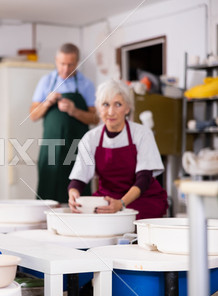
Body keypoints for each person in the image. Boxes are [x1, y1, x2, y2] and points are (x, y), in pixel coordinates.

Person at [68, 79, 168, 219]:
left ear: (127, 108)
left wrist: (121, 204)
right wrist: (73, 193)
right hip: (108, 200)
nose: (111, 111)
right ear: (98, 108)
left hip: (142, 199)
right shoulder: (90, 138)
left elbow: (144, 179)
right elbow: (79, 178)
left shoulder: (142, 134)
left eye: (118, 105)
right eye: (105, 104)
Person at [30, 43, 99, 204]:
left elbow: (95, 119)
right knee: (47, 196)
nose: (66, 69)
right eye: (62, 64)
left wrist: (74, 111)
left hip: (78, 147)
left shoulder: (86, 84)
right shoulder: (46, 82)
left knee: (78, 192)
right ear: (56, 60)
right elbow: (33, 115)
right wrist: (47, 103)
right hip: (51, 148)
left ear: (77, 62)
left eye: (71, 64)